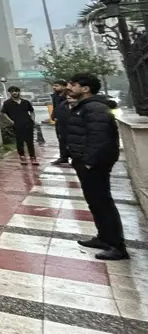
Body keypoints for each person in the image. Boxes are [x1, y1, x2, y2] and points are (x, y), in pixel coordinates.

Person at [64, 73, 127, 260]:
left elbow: (99, 138)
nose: (69, 87)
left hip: (94, 164)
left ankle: (117, 246)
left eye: (73, 84)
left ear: (86, 89)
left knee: (102, 203)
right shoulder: (85, 107)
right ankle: (104, 238)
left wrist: (88, 162)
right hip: (86, 162)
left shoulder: (95, 108)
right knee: (95, 203)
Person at [1, 86, 38, 165]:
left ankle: (33, 157)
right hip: (17, 124)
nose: (14, 93)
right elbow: (4, 113)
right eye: (12, 91)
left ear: (19, 92)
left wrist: (32, 120)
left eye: (16, 91)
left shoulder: (25, 102)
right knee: (19, 141)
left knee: (30, 141)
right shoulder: (7, 103)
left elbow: (32, 111)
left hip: (28, 124)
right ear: (10, 93)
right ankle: (22, 156)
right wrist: (11, 121)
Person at [49, 79, 71, 165]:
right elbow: (55, 107)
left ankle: (74, 157)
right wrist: (53, 115)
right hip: (59, 121)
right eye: (54, 85)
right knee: (61, 139)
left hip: (69, 120)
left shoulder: (70, 95)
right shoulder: (55, 96)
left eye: (56, 85)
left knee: (70, 139)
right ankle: (63, 157)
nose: (54, 87)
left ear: (64, 86)